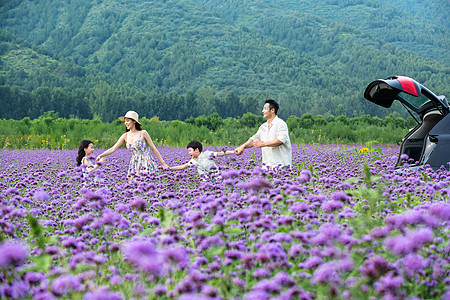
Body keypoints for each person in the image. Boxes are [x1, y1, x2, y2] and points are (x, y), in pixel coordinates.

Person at [96, 111, 168, 181]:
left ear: (134, 121)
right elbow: (112, 149)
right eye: (125, 121)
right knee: (135, 186)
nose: (126, 123)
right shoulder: (125, 136)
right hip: (134, 164)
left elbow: (153, 148)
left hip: (146, 161)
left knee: (147, 184)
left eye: (128, 121)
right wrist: (100, 155)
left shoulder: (143, 133)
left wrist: (163, 163)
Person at [234, 99, 292, 168]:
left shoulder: (281, 124)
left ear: (272, 110)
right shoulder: (263, 127)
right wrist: (242, 146)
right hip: (267, 167)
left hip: (281, 166)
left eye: (265, 109)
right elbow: (253, 139)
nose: (262, 111)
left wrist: (263, 144)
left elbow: (280, 141)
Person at [169, 140, 235, 179]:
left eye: (190, 151)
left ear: (197, 150)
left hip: (216, 178)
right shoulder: (193, 161)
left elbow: (220, 154)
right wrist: (170, 168)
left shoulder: (207, 154)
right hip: (205, 182)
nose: (189, 153)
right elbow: (183, 166)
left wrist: (233, 152)